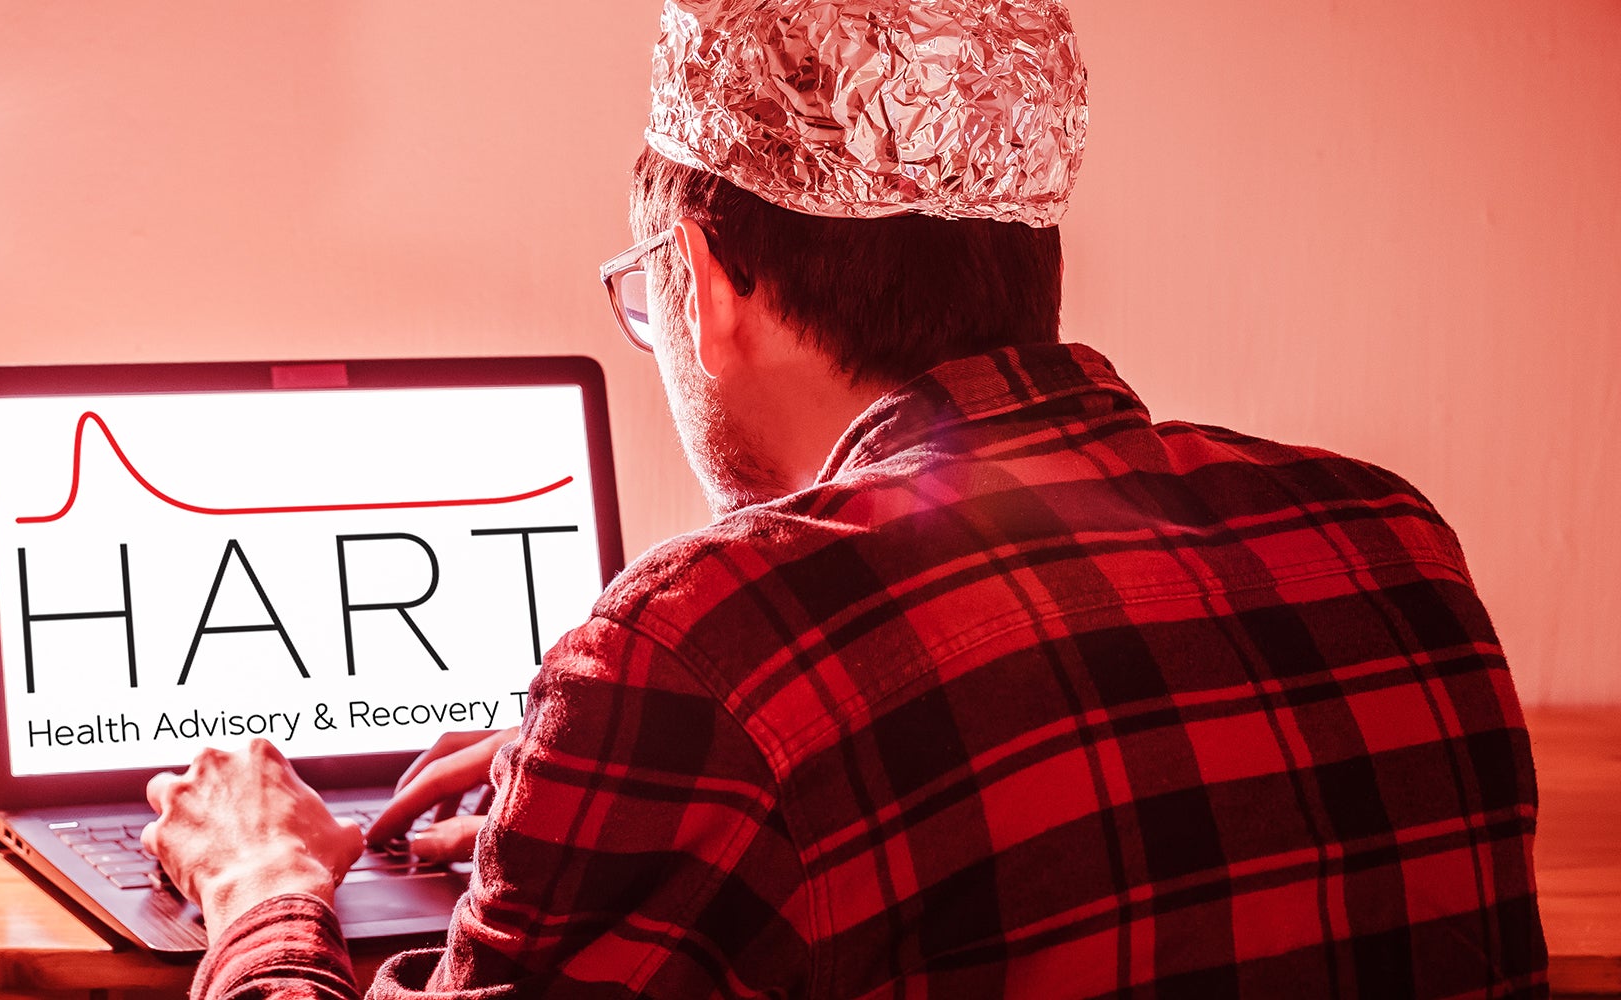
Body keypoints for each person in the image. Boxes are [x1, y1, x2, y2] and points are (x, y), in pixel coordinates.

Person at [141, 1, 1548, 996]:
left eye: (647, 299)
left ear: (703, 283)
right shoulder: (1385, 540)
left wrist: (263, 885)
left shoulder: (702, 649)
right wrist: (607, 800)